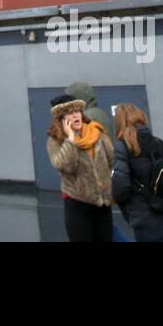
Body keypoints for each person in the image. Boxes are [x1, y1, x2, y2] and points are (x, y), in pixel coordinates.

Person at [46, 94, 114, 242]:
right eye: (70, 113)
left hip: (103, 203)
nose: (75, 115)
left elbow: (111, 160)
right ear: (61, 119)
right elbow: (66, 166)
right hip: (78, 204)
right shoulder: (55, 141)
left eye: (77, 111)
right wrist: (70, 139)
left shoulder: (97, 132)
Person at [111, 103, 163, 243]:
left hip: (145, 219)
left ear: (119, 122)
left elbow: (120, 186)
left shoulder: (122, 146)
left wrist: (122, 202)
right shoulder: (159, 143)